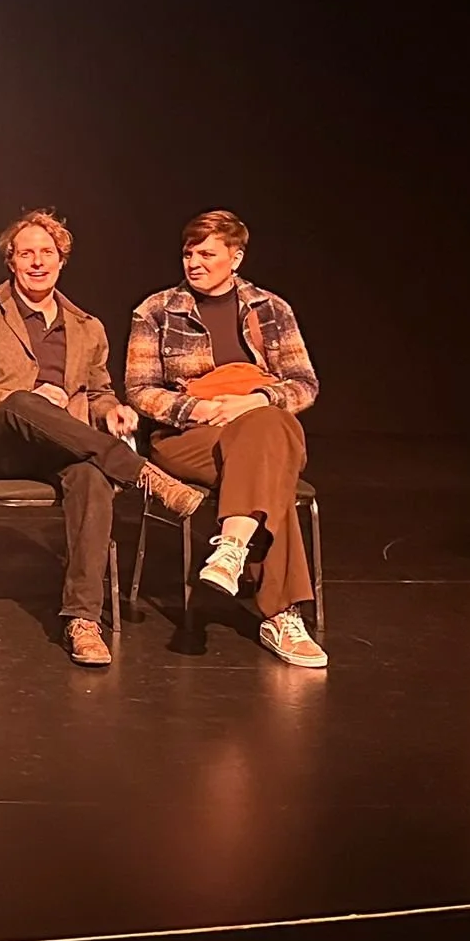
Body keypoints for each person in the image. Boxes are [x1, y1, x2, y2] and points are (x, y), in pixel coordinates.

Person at [0, 210, 207, 665]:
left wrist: (113, 411)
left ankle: (83, 619)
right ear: (11, 261)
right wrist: (24, 394)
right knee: (27, 403)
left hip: (64, 443)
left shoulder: (87, 327)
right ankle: (146, 475)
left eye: (47, 253)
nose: (37, 262)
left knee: (91, 475)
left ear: (62, 260)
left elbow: (99, 392)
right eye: (26, 254)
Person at [126, 210, 325, 667]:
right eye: (188, 253)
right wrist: (203, 409)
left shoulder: (272, 310)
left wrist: (253, 400)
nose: (194, 262)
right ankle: (281, 615)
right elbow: (140, 390)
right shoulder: (156, 310)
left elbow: (303, 383)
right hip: (187, 435)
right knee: (271, 468)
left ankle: (232, 547)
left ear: (235, 257)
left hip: (257, 429)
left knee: (267, 426)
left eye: (207, 253)